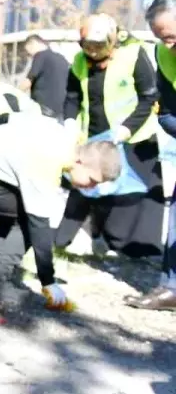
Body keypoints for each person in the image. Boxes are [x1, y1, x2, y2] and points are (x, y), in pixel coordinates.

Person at [0, 111, 121, 307]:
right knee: (28, 217)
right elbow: (39, 227)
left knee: (20, 207)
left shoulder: (62, 135)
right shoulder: (50, 162)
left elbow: (5, 117)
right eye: (93, 180)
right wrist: (48, 281)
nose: (92, 187)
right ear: (80, 162)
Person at [56, 13, 164, 258]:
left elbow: (149, 97)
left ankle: (132, 251)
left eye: (99, 46)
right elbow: (72, 98)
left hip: (132, 137)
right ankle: (67, 240)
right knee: (84, 187)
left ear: (112, 40)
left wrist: (125, 130)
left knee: (127, 198)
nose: (93, 52)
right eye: (88, 46)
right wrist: (71, 124)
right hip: (93, 138)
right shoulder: (79, 61)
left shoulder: (134, 55)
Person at [126, 0, 176, 310]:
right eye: (162, 39)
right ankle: (172, 287)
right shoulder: (163, 54)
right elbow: (165, 112)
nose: (169, 45)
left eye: (171, 37)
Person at [20, 33, 70, 118]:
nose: (30, 56)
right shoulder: (62, 58)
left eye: (28, 52)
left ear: (32, 44)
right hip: (61, 109)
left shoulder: (40, 55)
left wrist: (14, 92)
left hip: (43, 109)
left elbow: (29, 80)